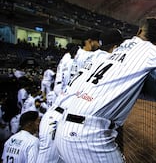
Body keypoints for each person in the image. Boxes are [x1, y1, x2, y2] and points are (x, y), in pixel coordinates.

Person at [54, 17, 156, 163]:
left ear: (139, 31)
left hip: (63, 126)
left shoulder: (117, 48)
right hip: (88, 137)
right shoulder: (155, 51)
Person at [36, 28, 124, 163]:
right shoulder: (94, 57)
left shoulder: (73, 56)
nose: (98, 45)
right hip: (59, 116)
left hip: (59, 108)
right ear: (90, 41)